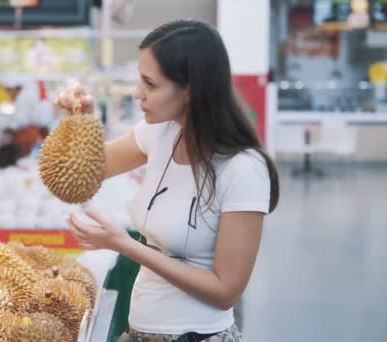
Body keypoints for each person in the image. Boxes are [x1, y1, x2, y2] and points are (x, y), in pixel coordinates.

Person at [57, 20, 280, 342]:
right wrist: (80, 119)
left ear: (190, 90)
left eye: (150, 84)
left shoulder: (243, 169)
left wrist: (126, 245)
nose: (137, 93)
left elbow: (225, 292)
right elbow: (86, 172)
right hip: (141, 333)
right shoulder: (160, 133)